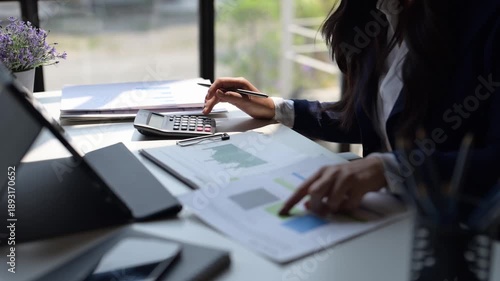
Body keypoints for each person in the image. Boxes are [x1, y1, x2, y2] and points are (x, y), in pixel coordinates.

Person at [202, 0, 500, 217]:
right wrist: (278, 108)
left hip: (459, 236)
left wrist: (392, 167)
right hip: (384, 219)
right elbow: (375, 120)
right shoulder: (375, 14)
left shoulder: (487, 20)